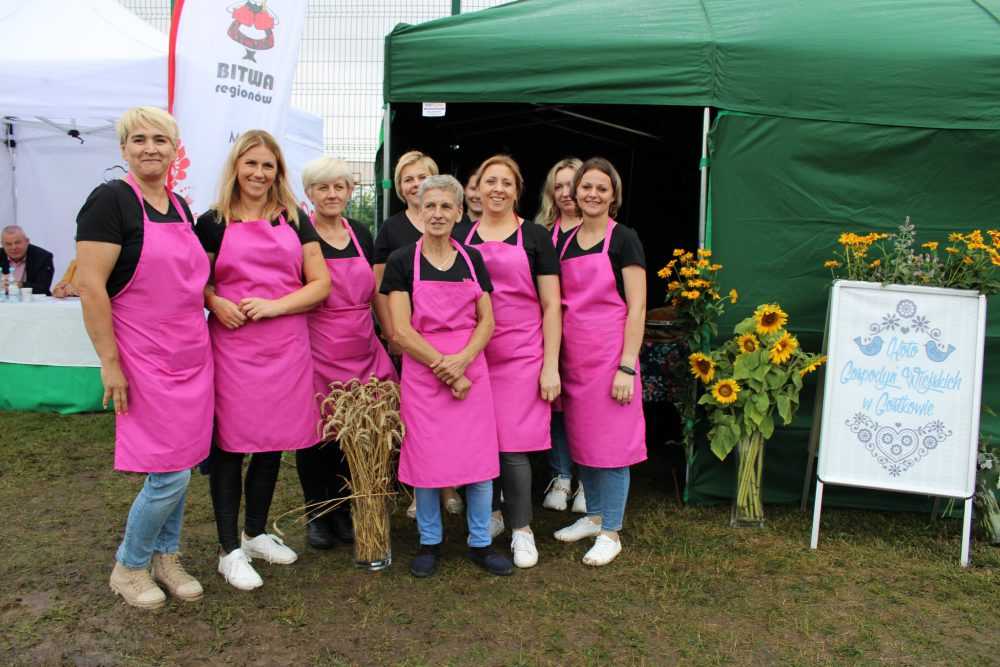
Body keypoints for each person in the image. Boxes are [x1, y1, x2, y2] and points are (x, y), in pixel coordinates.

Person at [75, 106, 211, 609]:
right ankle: (130, 565)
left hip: (191, 354)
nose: (150, 148)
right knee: (168, 472)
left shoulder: (181, 207)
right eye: (138, 139)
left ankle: (166, 557)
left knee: (183, 461)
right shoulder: (109, 201)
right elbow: (91, 287)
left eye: (160, 139)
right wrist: (110, 362)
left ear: (175, 150)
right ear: (123, 149)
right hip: (143, 355)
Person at [195, 130, 330, 590]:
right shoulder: (212, 222)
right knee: (232, 446)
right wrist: (215, 302)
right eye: (250, 163)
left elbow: (320, 284)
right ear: (236, 166)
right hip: (233, 347)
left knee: (274, 441)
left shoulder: (294, 218)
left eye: (267, 165)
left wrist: (275, 307)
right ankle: (227, 550)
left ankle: (254, 533)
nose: (258, 173)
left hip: (286, 345)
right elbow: (195, 282)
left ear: (278, 172)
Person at [381, 174, 512, 578]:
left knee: (479, 459)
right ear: (419, 211)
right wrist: (446, 368)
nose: (437, 214)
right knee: (426, 459)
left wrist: (463, 361)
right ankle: (429, 542)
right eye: (430, 206)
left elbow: (487, 321)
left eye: (445, 206)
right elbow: (401, 331)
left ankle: (480, 542)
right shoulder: (402, 261)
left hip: (471, 369)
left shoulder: (472, 259)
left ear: (458, 213)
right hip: (424, 374)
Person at [464, 155, 560, 569]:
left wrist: (550, 365)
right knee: (479, 442)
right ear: (477, 188)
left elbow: (552, 305)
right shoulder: (460, 236)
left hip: (522, 355)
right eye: (490, 181)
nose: (498, 189)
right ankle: (492, 514)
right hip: (473, 354)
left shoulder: (536, 236)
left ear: (517, 190)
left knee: (513, 448)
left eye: (506, 182)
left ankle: (522, 529)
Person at [297, 156, 398, 550]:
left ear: (351, 191)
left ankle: (343, 511)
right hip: (318, 346)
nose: (332, 194)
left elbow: (376, 291)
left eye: (339, 186)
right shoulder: (300, 235)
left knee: (354, 434)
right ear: (309, 193)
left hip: (362, 346)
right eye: (323, 187)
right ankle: (317, 515)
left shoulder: (360, 232)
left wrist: (389, 333)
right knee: (317, 436)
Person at [553, 157, 647, 567]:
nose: (592, 194)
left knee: (613, 447)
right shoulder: (563, 242)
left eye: (601, 188)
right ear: (575, 192)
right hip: (576, 360)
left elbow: (637, 306)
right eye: (586, 186)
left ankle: (611, 531)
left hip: (612, 358)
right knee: (583, 441)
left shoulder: (624, 239)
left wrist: (627, 365)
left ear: (613, 196)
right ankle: (592, 517)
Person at [373, 150, 466, 517]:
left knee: (450, 418)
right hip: (409, 340)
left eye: (421, 177)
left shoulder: (451, 222)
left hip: (451, 344)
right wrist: (392, 335)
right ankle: (419, 488)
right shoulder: (391, 229)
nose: (415, 184)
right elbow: (380, 288)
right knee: (418, 421)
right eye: (407, 179)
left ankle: (449, 485)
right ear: (399, 187)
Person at [534, 157, 587, 513]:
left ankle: (588, 481)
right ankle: (562, 476)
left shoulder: (600, 231)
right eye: (559, 186)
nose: (566, 192)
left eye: (573, 185)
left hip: (587, 334)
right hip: (550, 331)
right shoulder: (541, 234)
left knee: (587, 409)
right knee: (555, 407)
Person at [1, 225, 54, 296]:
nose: (13, 247)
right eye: (8, 244)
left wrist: (19, 284)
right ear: (2, 244)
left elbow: (43, 288)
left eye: (17, 242)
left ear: (27, 241)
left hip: (33, 301)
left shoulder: (43, 257)